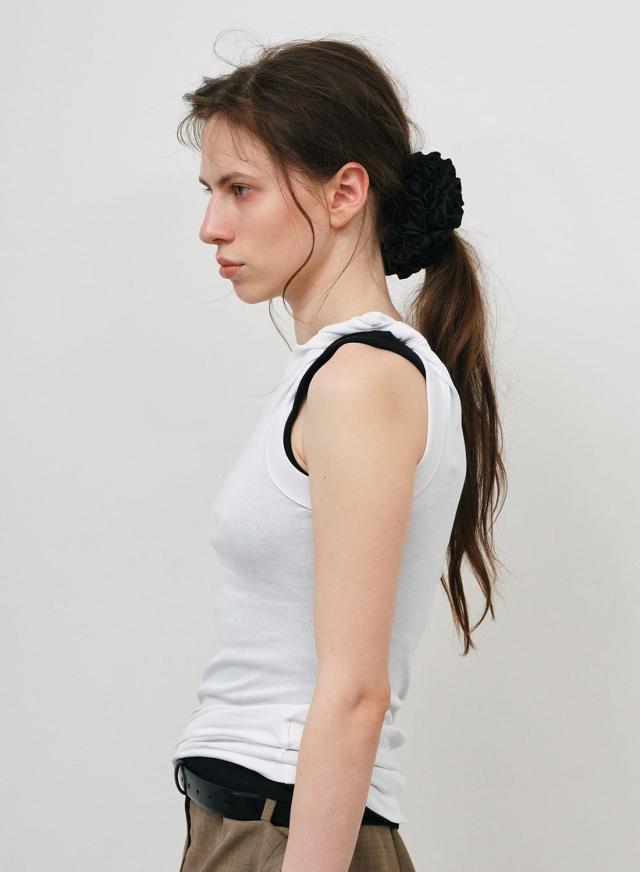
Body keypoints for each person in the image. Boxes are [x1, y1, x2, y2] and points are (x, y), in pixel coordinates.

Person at [171, 34, 507, 872]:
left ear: (345, 191)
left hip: (285, 833)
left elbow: (356, 692)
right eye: (211, 192)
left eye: (240, 189)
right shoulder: (339, 372)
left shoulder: (361, 379)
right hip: (258, 824)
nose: (212, 226)